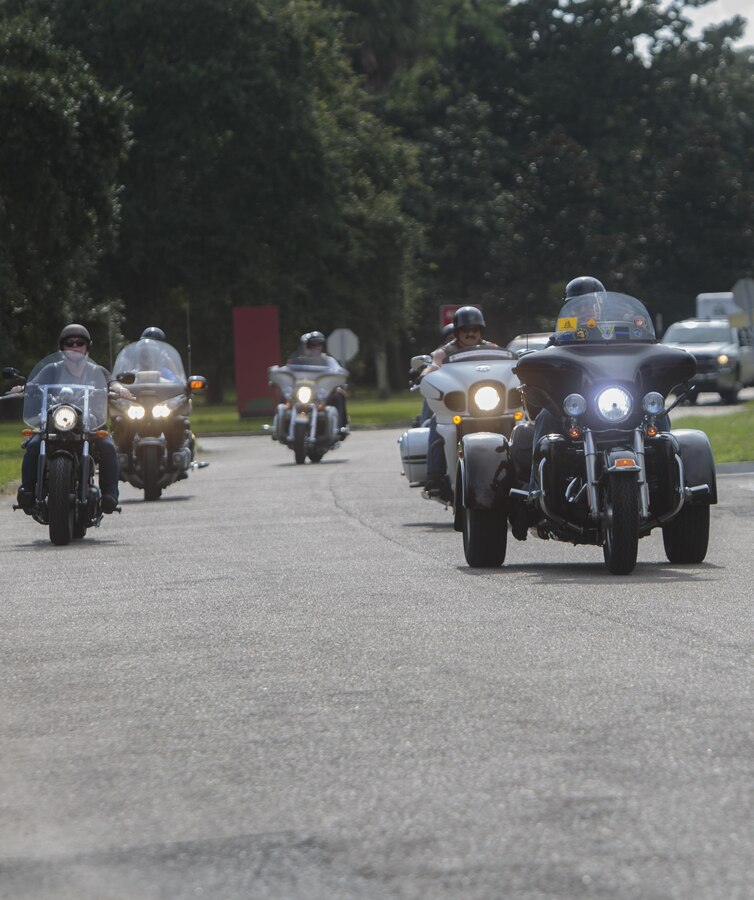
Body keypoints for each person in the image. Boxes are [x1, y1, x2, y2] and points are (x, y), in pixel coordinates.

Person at [15, 324, 132, 514]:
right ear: (62, 347)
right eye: (70, 343)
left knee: (108, 446)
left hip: (89, 423)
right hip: (55, 422)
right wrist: (24, 388)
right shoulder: (51, 369)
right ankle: (28, 490)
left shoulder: (96, 370)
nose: (75, 347)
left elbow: (111, 382)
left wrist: (119, 388)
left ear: (87, 346)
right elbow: (34, 383)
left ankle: (110, 495)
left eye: (80, 343)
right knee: (34, 444)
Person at [422, 306, 500, 497]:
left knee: (522, 423)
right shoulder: (443, 353)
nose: (471, 333)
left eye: (475, 329)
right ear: (457, 332)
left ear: (481, 330)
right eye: (466, 330)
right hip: (459, 406)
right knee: (436, 423)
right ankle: (436, 476)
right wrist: (424, 373)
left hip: (491, 405)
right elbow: (431, 368)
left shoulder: (494, 350)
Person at [287, 331, 349, 434]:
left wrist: (337, 384)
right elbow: (287, 372)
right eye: (313, 344)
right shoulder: (298, 362)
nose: (317, 347)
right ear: (306, 346)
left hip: (322, 394)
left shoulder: (328, 361)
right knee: (284, 397)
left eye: (320, 344)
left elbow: (338, 372)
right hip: (302, 393)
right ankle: (280, 425)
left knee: (338, 395)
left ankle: (340, 427)